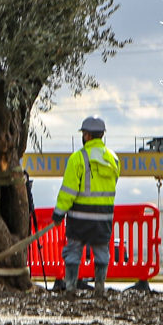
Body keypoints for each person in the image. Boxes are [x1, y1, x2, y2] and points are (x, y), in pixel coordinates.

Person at [53, 116, 120, 298]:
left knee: (73, 252)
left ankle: (71, 289)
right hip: (103, 219)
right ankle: (99, 289)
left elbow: (69, 191)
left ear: (88, 135)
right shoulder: (113, 159)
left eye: (84, 133)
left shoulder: (77, 158)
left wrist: (59, 213)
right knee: (101, 252)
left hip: (79, 218)